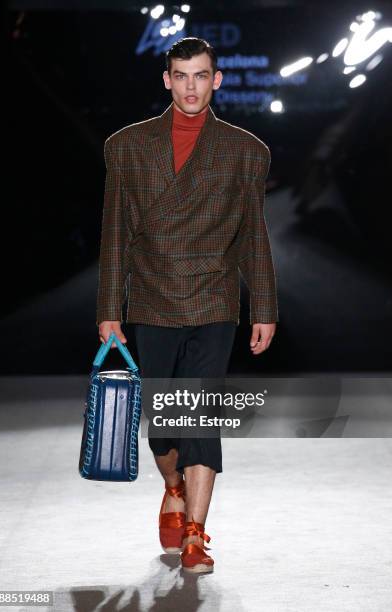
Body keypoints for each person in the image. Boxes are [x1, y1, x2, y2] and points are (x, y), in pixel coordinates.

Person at [96, 37, 278, 574]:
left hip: (215, 299)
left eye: (201, 75)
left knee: (199, 416)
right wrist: (110, 307)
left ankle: (196, 534)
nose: (191, 86)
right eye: (181, 75)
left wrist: (263, 305)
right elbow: (116, 235)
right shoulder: (127, 147)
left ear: (217, 80)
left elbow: (253, 237)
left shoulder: (246, 151)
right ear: (166, 80)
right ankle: (173, 485)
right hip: (153, 299)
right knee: (162, 427)